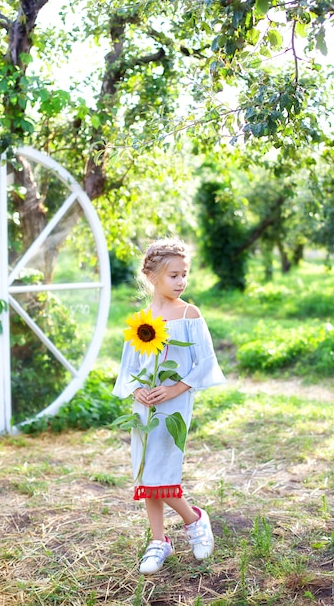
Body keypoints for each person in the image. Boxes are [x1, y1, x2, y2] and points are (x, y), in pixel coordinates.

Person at [112, 238, 225, 574]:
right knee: (146, 467)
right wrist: (137, 392)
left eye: (184, 275)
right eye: (174, 275)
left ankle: (194, 519)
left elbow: (204, 363)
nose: (181, 282)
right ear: (152, 277)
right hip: (144, 406)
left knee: (164, 466)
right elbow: (129, 369)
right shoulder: (141, 320)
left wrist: (174, 389)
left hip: (175, 405)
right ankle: (159, 540)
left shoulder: (190, 314)